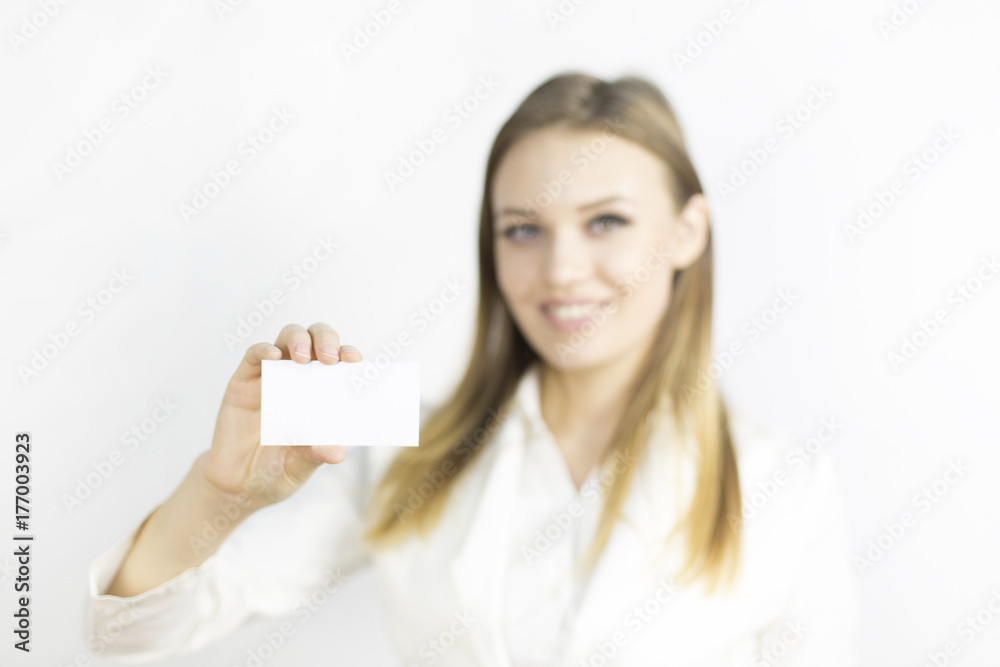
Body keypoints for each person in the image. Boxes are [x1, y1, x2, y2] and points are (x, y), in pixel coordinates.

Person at [84, 71, 860, 666]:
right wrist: (220, 495)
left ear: (688, 231)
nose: (560, 269)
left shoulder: (784, 488)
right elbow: (126, 631)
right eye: (523, 229)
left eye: (606, 221)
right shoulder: (406, 453)